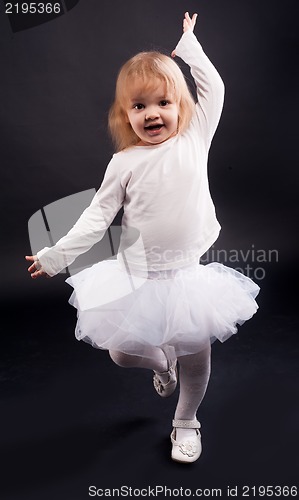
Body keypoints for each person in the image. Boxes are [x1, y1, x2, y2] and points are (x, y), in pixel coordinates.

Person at [25, 12, 260, 463]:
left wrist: (189, 46)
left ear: (181, 108)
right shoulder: (125, 163)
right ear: (125, 114)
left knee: (197, 353)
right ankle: (161, 364)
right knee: (121, 353)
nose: (152, 113)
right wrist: (55, 256)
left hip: (187, 275)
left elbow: (215, 87)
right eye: (139, 106)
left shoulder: (194, 137)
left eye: (162, 103)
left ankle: (186, 421)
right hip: (138, 274)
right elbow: (96, 219)